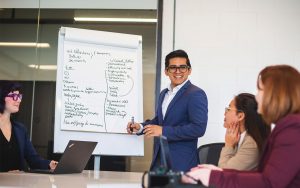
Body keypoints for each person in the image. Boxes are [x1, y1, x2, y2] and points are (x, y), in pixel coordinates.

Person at [183, 65, 300, 187]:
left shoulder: (293, 128)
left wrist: (212, 176)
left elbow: (269, 183)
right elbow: (262, 175)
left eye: (260, 90)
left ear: (276, 94)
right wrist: (220, 172)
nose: (257, 96)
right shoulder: (288, 126)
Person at [127, 49, 208, 172]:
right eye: (173, 67)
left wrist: (163, 131)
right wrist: (140, 127)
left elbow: (198, 128)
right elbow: (160, 121)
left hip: (182, 164)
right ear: (166, 71)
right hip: (159, 161)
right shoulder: (164, 94)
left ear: (189, 70)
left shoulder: (196, 94)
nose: (178, 71)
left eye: (182, 67)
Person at [0, 81, 57, 172]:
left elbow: (33, 160)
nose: (19, 100)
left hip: (18, 184)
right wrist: (5, 174)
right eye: (14, 96)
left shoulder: (20, 129)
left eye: (19, 96)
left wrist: (49, 164)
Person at [218, 93, 270, 170]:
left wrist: (228, 146)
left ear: (240, 116)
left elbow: (224, 172)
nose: (224, 113)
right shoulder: (238, 137)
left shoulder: (251, 144)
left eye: (228, 109)